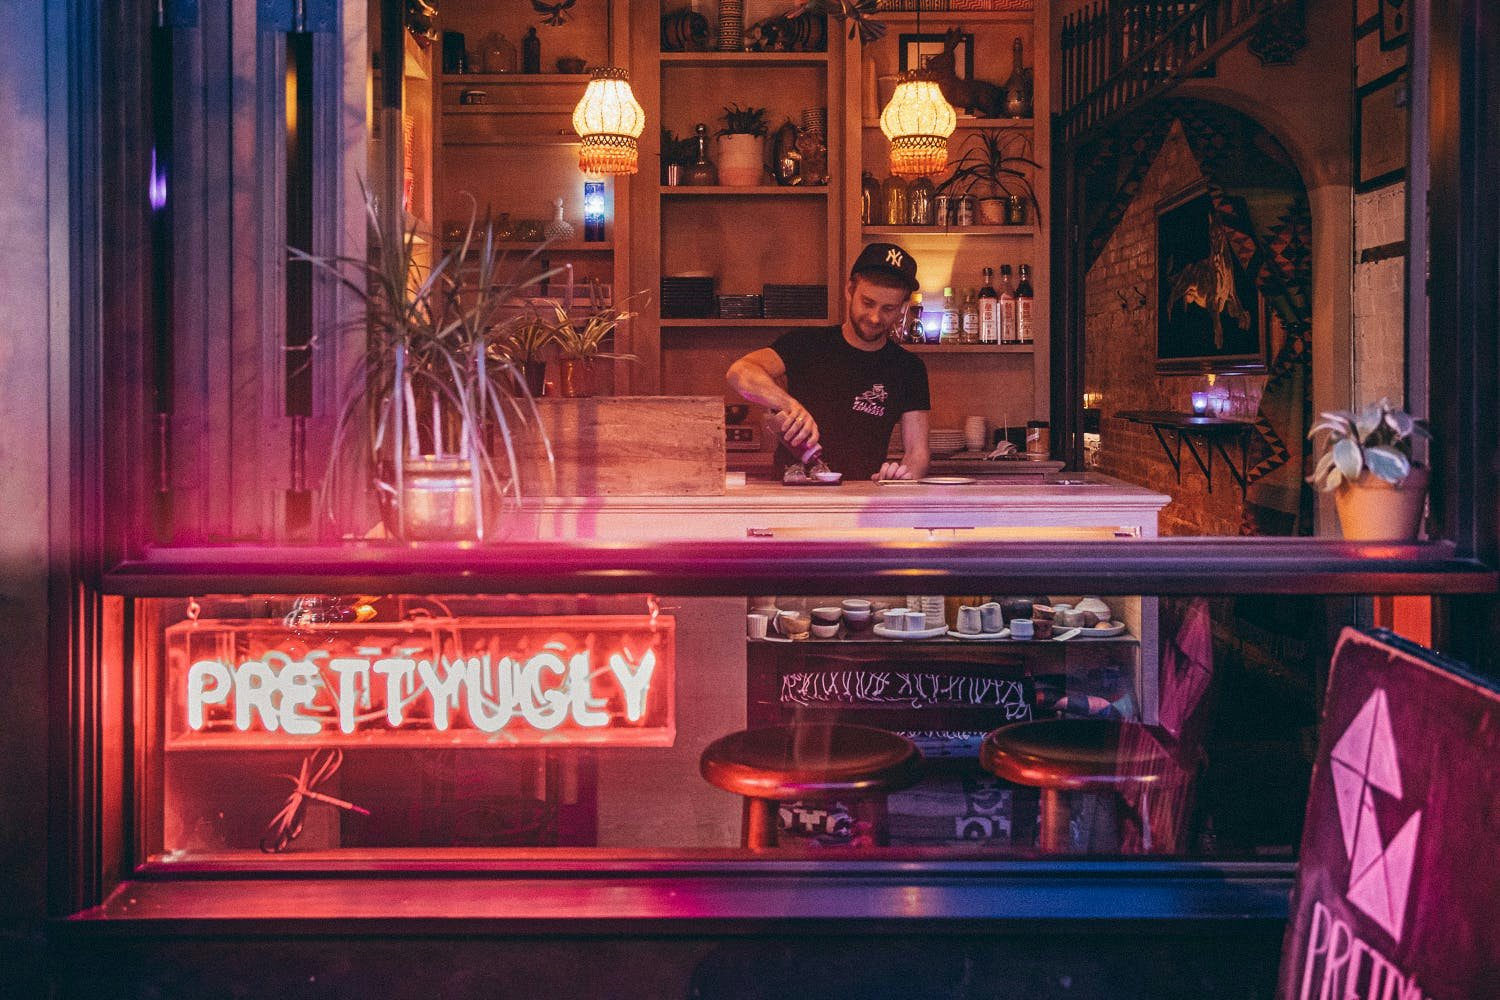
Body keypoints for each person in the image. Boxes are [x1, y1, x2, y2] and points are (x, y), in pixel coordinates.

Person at [726, 243, 931, 482]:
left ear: (903, 307)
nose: (875, 317)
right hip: (795, 498)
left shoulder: (908, 368)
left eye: (889, 308)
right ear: (850, 290)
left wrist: (901, 478)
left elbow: (918, 453)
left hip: (861, 502)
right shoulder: (807, 343)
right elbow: (739, 372)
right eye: (867, 302)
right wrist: (791, 406)